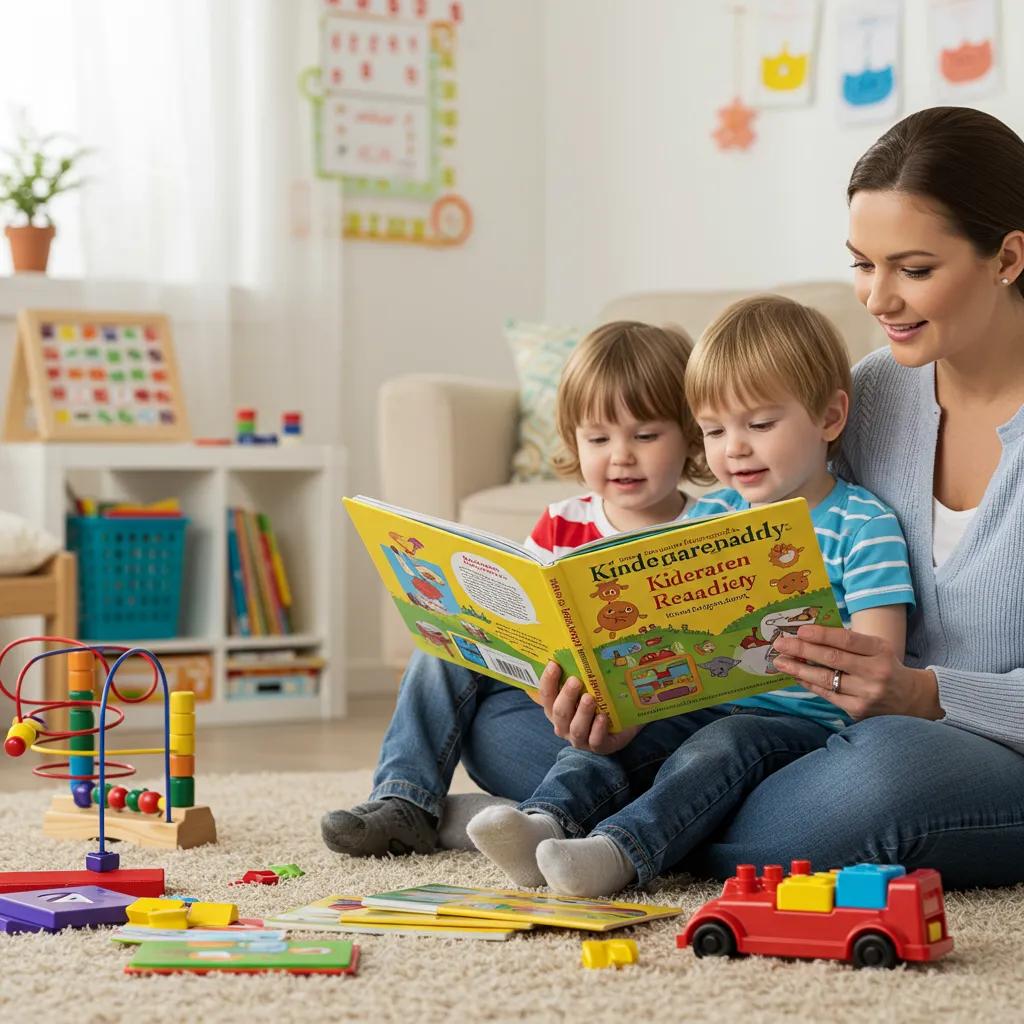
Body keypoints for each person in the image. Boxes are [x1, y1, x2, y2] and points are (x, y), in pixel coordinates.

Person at [526, 106, 1024, 890]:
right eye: (862, 263)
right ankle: (641, 810)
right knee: (525, 720)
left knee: (884, 779)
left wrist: (926, 694)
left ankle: (644, 821)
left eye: (914, 269)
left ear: (1007, 257)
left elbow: (894, 695)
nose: (877, 299)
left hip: (949, 745)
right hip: (808, 725)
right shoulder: (873, 394)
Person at [467, 295, 916, 896]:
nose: (734, 447)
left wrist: (800, 652)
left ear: (830, 417)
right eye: (712, 430)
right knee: (617, 734)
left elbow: (877, 671)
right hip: (698, 701)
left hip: (800, 726)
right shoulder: (709, 516)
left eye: (760, 425)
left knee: (726, 742)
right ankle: (545, 821)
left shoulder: (863, 524)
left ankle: (619, 851)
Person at [321, 320, 714, 857]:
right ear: (574, 438)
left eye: (645, 435)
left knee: (619, 759)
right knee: (442, 644)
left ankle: (527, 820)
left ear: (690, 434)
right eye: (598, 438)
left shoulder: (709, 530)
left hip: (651, 740)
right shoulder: (561, 523)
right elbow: (526, 630)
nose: (620, 455)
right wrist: (532, 675)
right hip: (555, 713)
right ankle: (406, 801)